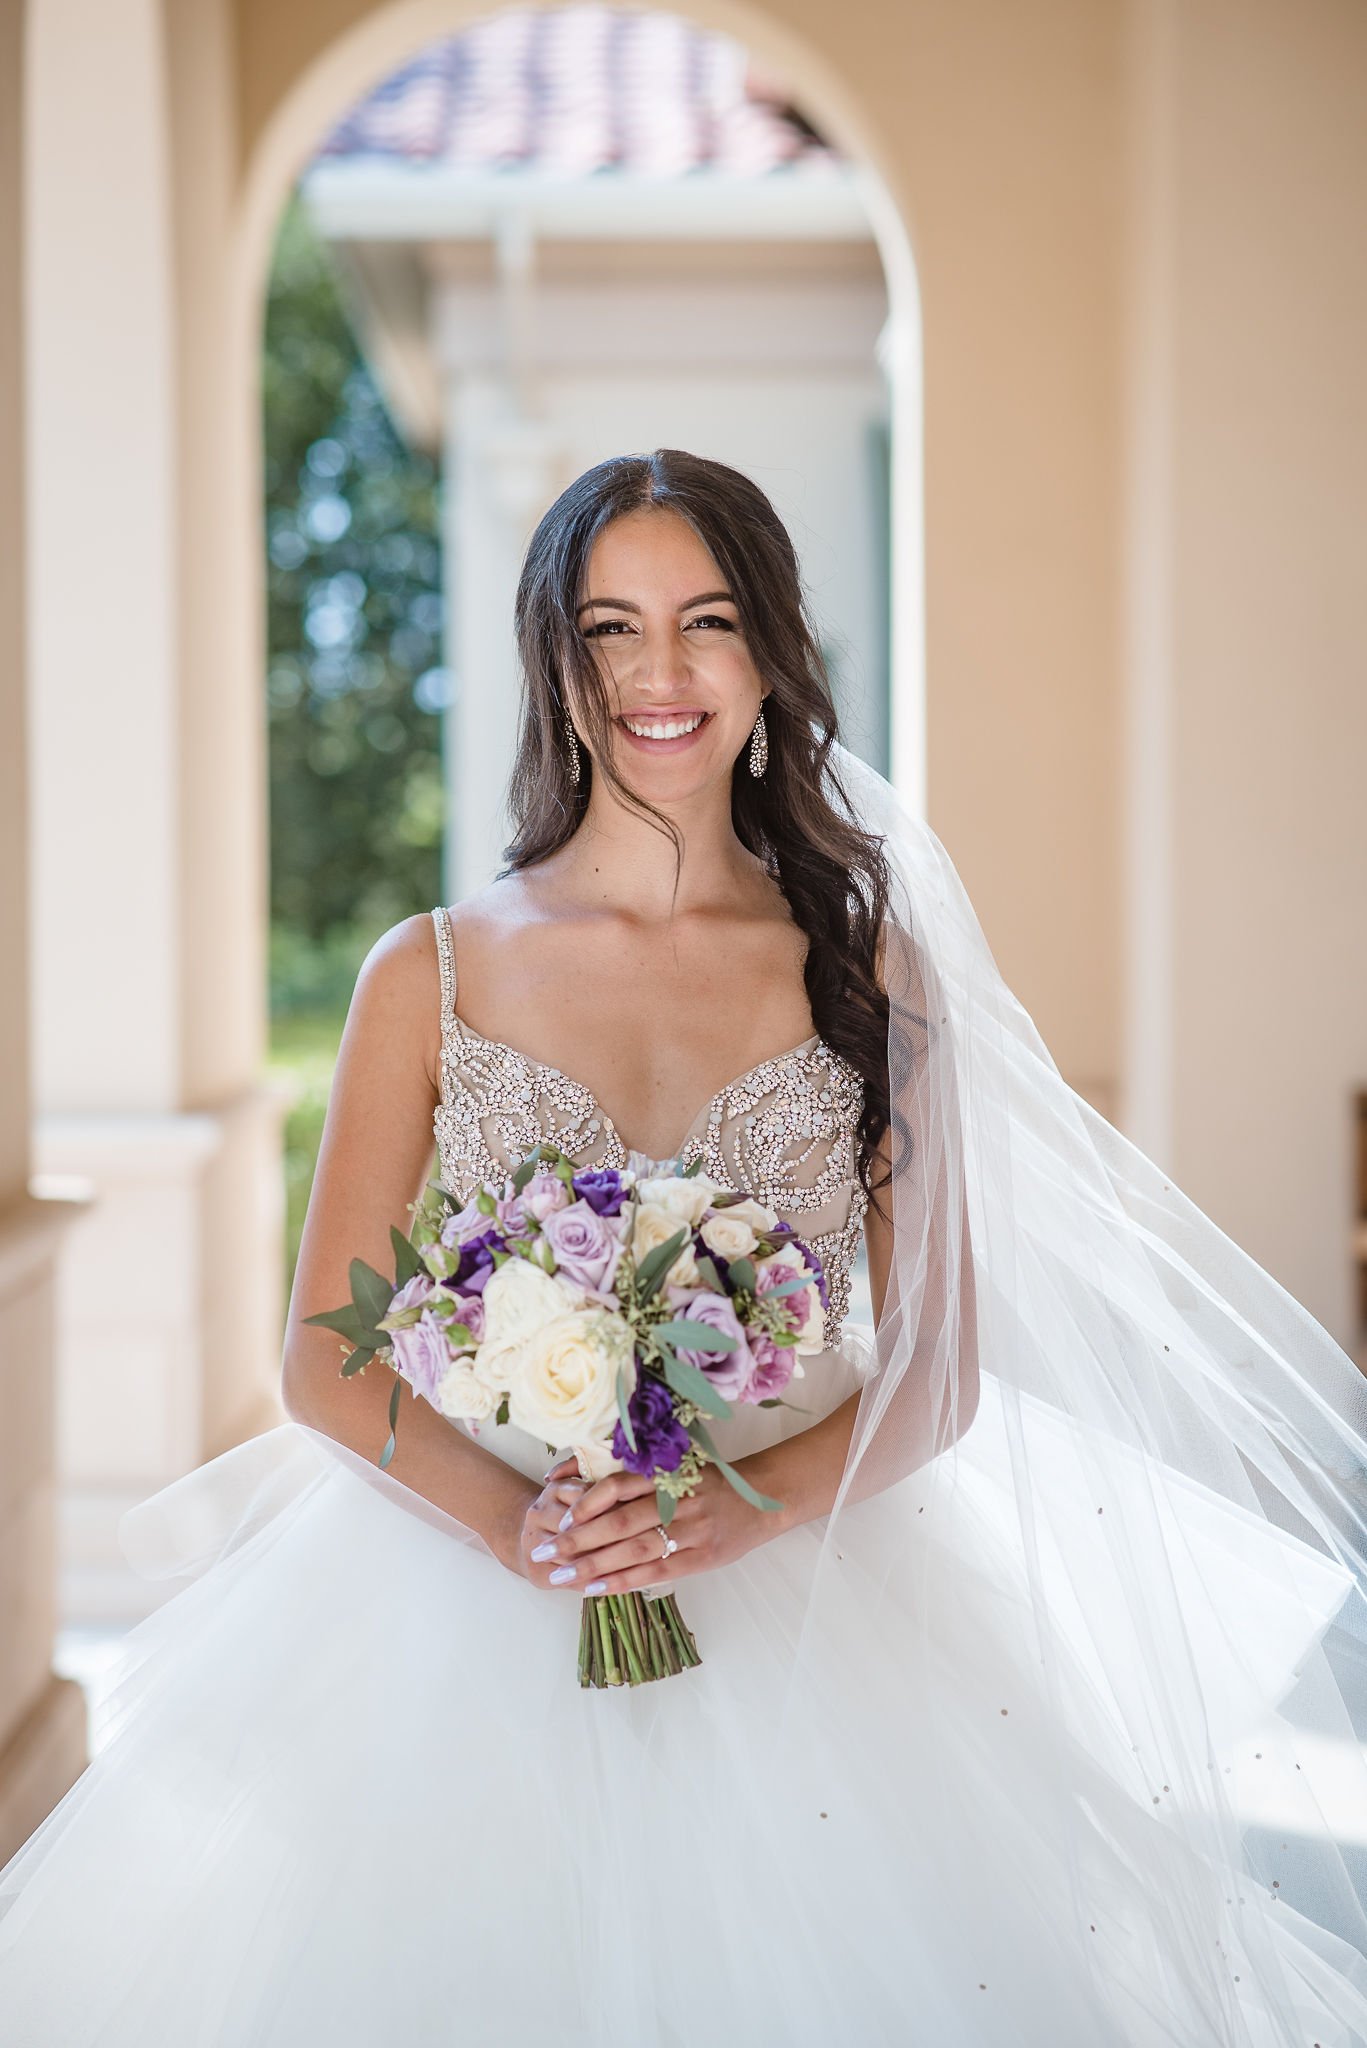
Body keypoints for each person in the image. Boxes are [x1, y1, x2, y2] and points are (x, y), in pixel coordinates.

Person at [1, 448, 1365, 2046]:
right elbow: (324, 1353)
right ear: (552, 662)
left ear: (772, 654)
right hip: (470, 1601)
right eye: (611, 628)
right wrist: (523, 1538)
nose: (661, 674)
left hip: (816, 1606)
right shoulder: (426, 972)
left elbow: (938, 1371)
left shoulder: (874, 972)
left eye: (706, 622)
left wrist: (734, 1518)